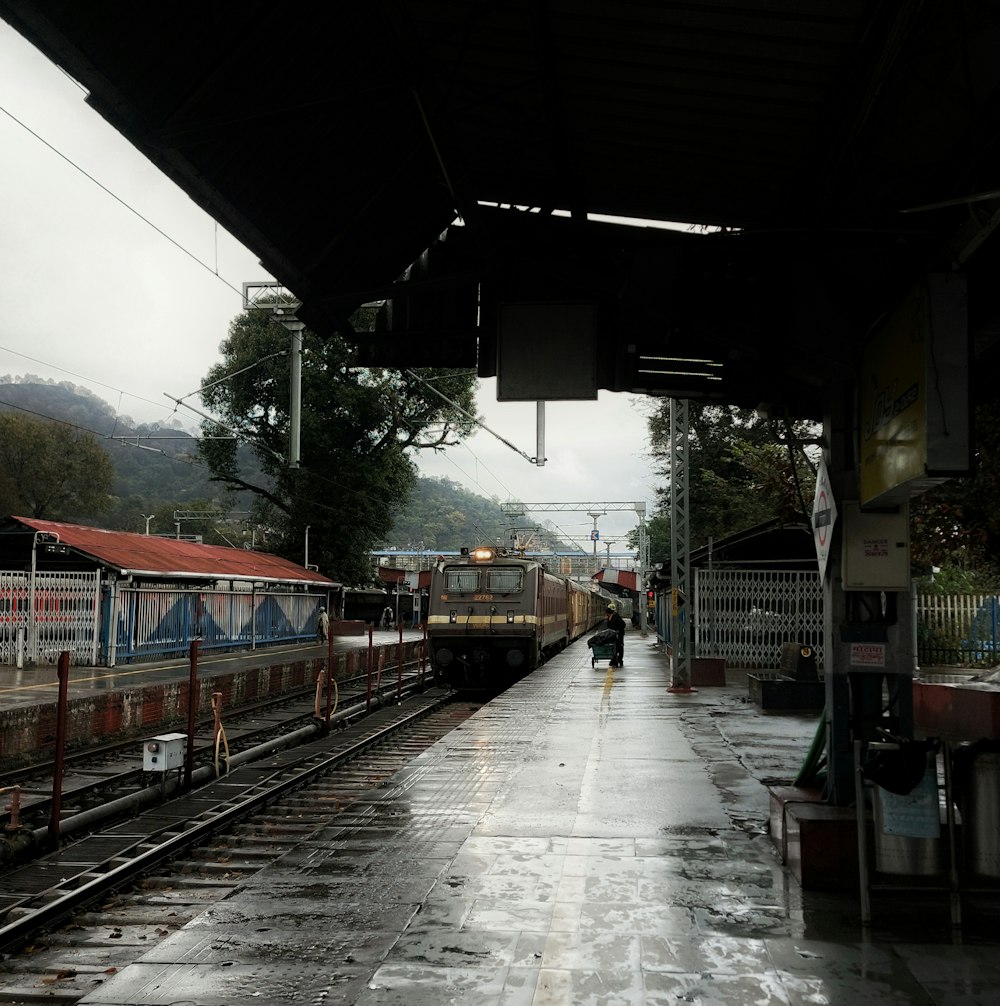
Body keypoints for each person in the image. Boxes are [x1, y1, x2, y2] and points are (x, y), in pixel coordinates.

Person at [606, 603, 626, 667]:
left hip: (619, 635)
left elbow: (623, 624)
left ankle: (619, 660)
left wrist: (618, 630)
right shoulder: (610, 617)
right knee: (614, 647)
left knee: (619, 647)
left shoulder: (616, 617)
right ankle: (614, 660)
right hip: (613, 635)